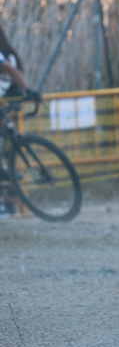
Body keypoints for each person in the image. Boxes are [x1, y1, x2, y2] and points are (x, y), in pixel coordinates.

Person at [0, 25, 42, 217]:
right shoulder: (10, 53)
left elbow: (9, 69)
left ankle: (7, 194)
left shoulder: (8, 57)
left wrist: (27, 89)